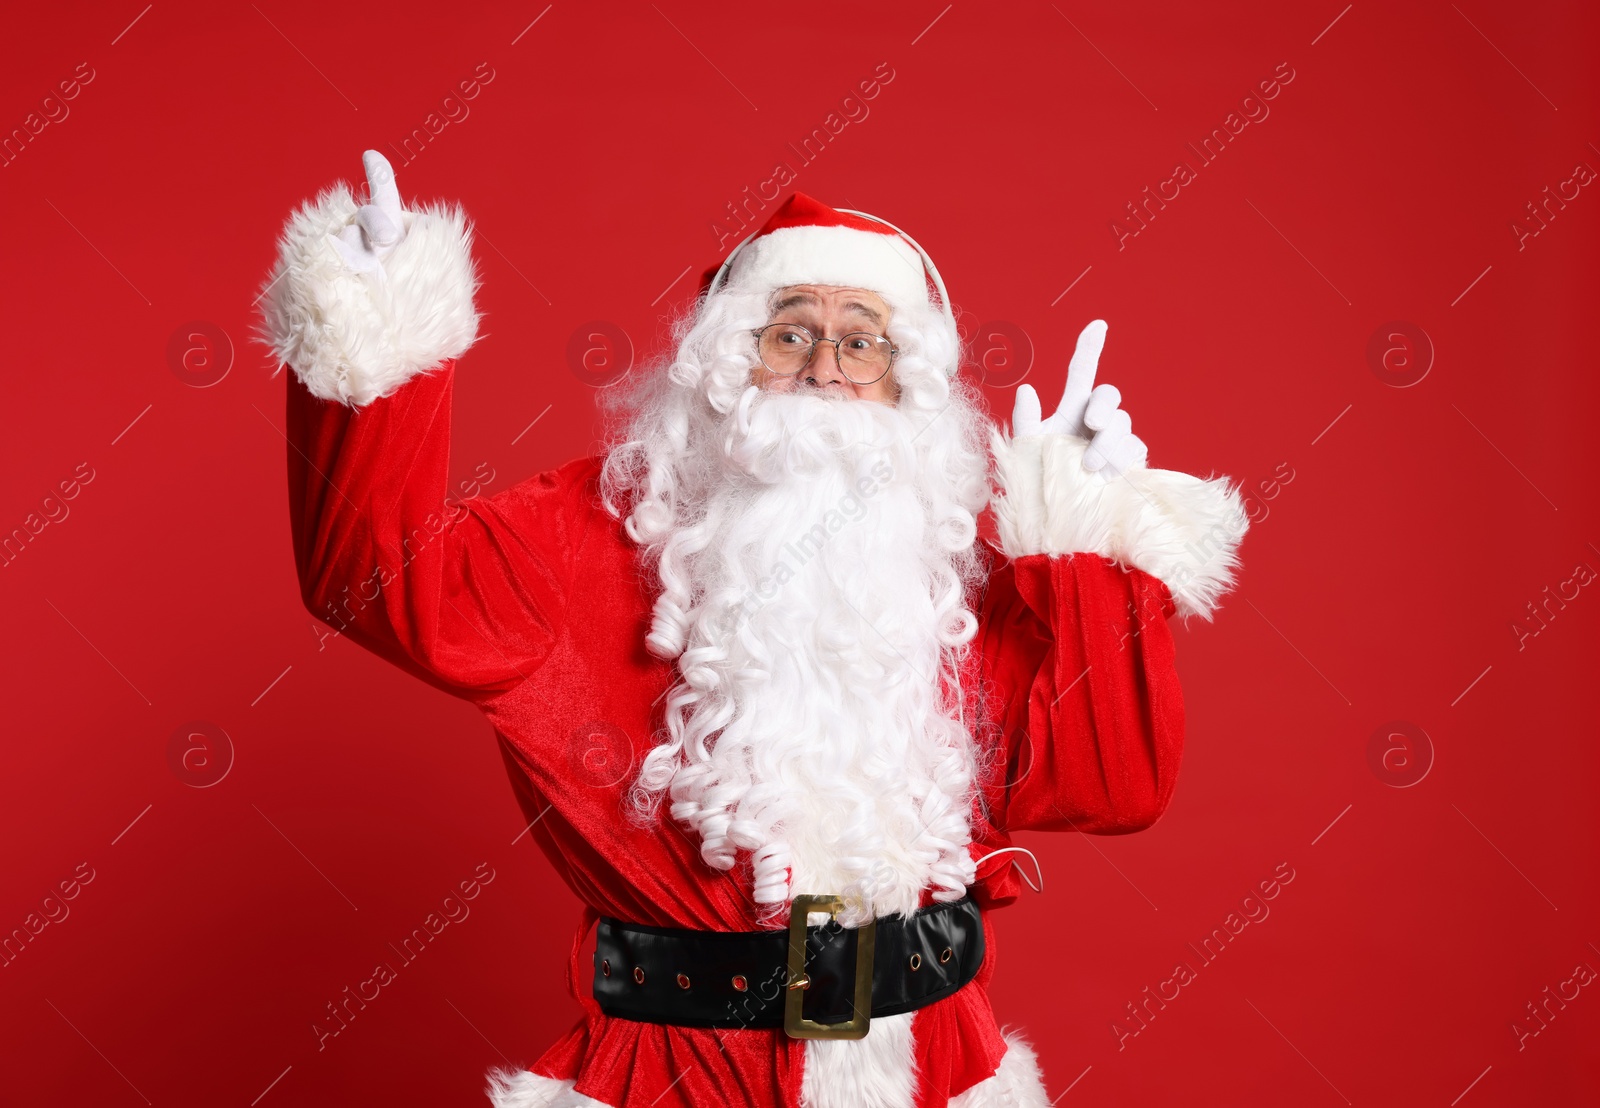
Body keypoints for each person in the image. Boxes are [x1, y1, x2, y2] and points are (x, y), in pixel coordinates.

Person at [255, 150, 1249, 1108]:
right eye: (788, 333)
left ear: (908, 386)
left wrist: (1087, 559)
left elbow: (1110, 787)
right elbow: (372, 581)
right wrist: (373, 341)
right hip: (673, 1072)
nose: (823, 368)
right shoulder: (582, 534)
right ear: (724, 362)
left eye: (863, 340)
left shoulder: (949, 579)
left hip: (934, 1068)